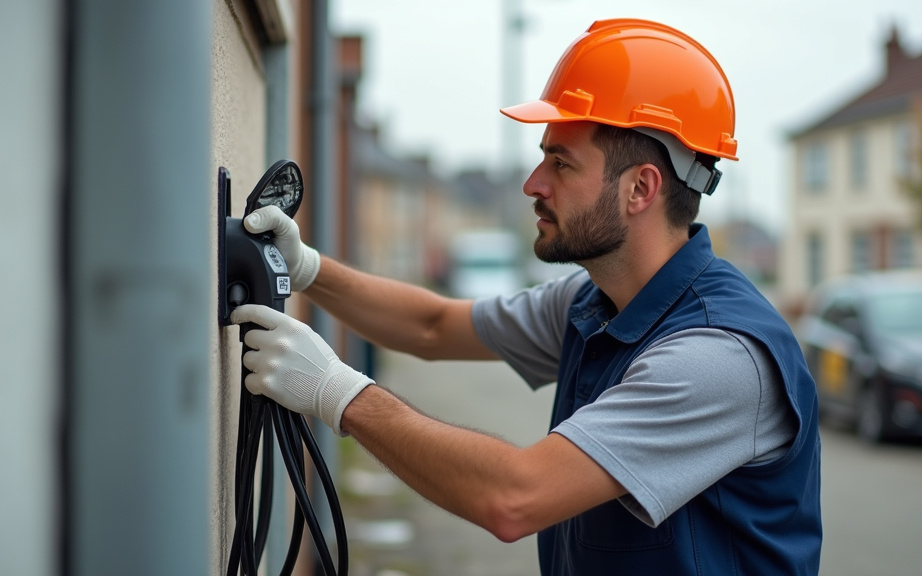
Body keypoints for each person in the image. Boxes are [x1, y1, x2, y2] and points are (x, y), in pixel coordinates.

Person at [231, 18, 822, 576]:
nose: (532, 185)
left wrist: (336, 391)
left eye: (560, 163)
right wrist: (306, 268)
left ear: (641, 187)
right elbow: (435, 326)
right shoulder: (596, 303)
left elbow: (513, 497)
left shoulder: (718, 357)